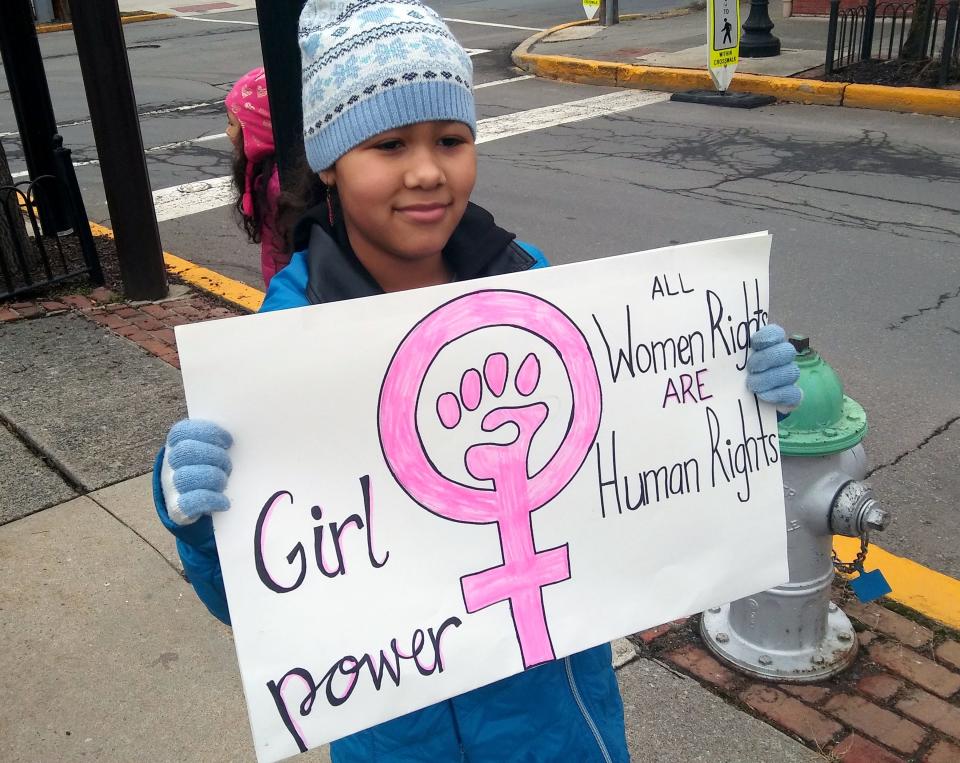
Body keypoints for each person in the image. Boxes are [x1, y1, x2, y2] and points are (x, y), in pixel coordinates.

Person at [155, 1, 802, 760]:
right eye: (389, 143)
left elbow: (635, 466)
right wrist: (198, 521)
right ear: (329, 160)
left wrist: (737, 396)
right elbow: (262, 607)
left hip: (563, 725)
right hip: (399, 733)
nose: (427, 170)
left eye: (451, 139)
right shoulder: (281, 346)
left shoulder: (530, 287)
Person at [225, 67, 288, 287]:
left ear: (258, 130)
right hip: (282, 276)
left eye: (233, 124)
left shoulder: (277, 184)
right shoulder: (266, 171)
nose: (228, 132)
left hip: (290, 283)